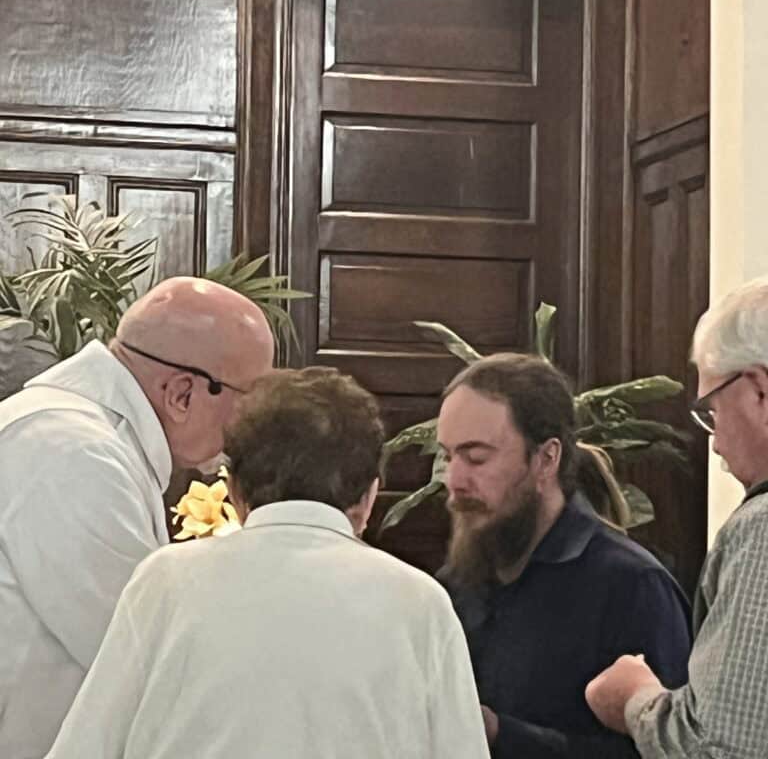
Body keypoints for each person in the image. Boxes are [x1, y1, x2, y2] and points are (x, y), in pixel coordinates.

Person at [46, 367, 491, 759]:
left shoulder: (167, 581)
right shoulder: (420, 603)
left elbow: (86, 748)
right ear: (369, 496)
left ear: (234, 491)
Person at [0, 276, 274, 759]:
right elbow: (144, 655)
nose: (251, 429)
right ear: (182, 393)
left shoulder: (88, 436)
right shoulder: (73, 452)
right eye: (250, 402)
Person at [437, 351, 691, 759]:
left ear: (546, 459)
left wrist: (501, 734)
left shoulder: (632, 588)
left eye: (476, 457)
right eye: (448, 456)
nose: (454, 480)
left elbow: (669, 750)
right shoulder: (455, 584)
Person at [586, 276, 768, 758]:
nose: (715, 443)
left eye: (713, 411)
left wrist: (634, 699)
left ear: (759, 392)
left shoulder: (763, 529)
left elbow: (722, 749)